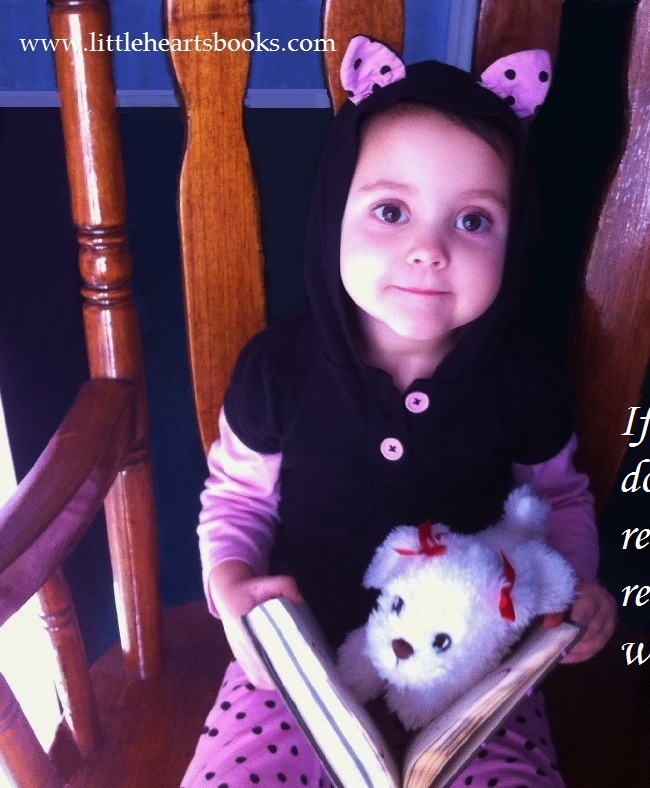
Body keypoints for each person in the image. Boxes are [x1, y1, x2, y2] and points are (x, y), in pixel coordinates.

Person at [182, 38, 617, 788]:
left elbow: (560, 502)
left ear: (515, 241)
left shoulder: (526, 381)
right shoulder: (278, 370)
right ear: (333, 219)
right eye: (391, 211)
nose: (428, 249)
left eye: (472, 221)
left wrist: (572, 590)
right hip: (300, 662)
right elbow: (238, 501)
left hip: (474, 667)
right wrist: (230, 581)